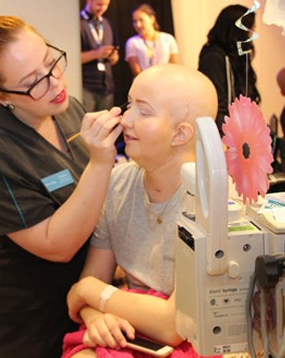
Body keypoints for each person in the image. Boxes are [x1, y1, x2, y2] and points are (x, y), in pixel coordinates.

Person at [0, 14, 124, 358]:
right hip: (14, 322)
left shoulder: (66, 109)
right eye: (34, 81)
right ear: (0, 95)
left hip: (71, 301)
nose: (55, 82)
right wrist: (102, 162)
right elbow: (56, 244)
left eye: (51, 62)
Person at [62, 64, 218, 357]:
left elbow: (174, 325)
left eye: (143, 112)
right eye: (129, 104)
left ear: (180, 134)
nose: (126, 120)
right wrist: (98, 319)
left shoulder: (214, 200)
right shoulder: (118, 181)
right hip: (129, 326)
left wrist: (90, 294)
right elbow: (91, 279)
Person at [198, 4, 261, 135]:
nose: (252, 35)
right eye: (250, 29)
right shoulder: (213, 57)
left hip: (238, 133)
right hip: (224, 135)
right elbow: (217, 103)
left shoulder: (235, 57)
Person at [80, 0, 120, 111]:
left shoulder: (107, 24)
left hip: (107, 86)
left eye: (106, 5)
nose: (102, 8)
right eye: (99, 4)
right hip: (86, 86)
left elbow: (116, 57)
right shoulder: (77, 23)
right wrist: (96, 54)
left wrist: (113, 56)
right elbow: (74, 57)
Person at [125, 3, 179, 77]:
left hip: (166, 82)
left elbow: (174, 67)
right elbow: (137, 72)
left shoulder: (168, 39)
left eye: (141, 20)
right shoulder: (133, 42)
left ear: (152, 19)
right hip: (144, 84)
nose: (138, 25)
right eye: (135, 21)